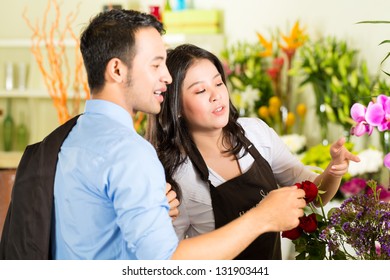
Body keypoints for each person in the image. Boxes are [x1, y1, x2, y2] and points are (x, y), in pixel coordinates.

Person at [51, 9, 308, 260]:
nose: (166, 77)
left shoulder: (70, 138)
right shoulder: (132, 153)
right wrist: (261, 218)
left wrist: (149, 212)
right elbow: (165, 263)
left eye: (218, 82)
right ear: (117, 70)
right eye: (156, 65)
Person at [147, 44, 361, 259]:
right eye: (201, 90)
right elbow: (170, 260)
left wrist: (333, 171)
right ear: (177, 107)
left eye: (219, 83)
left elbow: (315, 196)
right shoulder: (176, 176)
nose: (216, 95)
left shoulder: (256, 133)